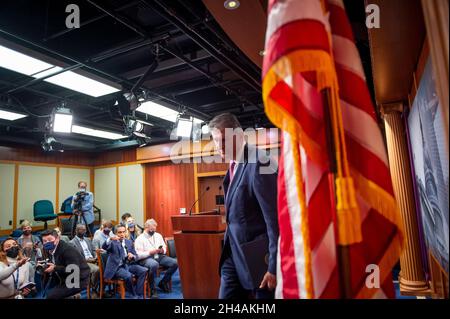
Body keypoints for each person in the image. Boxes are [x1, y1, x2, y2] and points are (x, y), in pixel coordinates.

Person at [209, 113, 279, 299]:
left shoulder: (260, 161)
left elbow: (274, 219)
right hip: (233, 255)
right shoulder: (234, 163)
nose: (219, 147)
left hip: (259, 258)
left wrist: (273, 266)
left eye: (223, 140)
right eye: (216, 141)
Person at [40, 229, 90, 299]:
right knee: (50, 292)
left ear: (57, 239)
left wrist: (55, 268)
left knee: (51, 296)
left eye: (50, 239)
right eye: (44, 241)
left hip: (78, 279)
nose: (47, 242)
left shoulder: (67, 250)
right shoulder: (48, 250)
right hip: (64, 277)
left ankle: (74, 296)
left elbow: (73, 269)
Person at [102, 224, 147, 299]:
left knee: (143, 270)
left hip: (128, 265)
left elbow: (136, 255)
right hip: (117, 268)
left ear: (126, 232)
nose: (122, 234)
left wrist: (132, 256)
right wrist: (110, 238)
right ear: (116, 233)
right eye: (119, 232)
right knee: (128, 275)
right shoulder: (112, 242)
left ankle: (139, 294)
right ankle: (133, 295)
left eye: (123, 232)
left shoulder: (129, 242)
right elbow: (104, 247)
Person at [135, 219, 178, 293]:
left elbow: (164, 247)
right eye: (151, 229)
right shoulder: (140, 239)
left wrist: (162, 250)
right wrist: (150, 252)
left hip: (158, 256)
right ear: (146, 228)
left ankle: (163, 282)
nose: (153, 231)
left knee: (175, 263)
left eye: (154, 229)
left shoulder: (158, 235)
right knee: (154, 264)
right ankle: (152, 289)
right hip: (146, 258)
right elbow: (138, 255)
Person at [69, 224, 99, 292]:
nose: (84, 231)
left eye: (84, 230)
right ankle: (93, 289)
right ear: (76, 231)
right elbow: (76, 258)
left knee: (105, 268)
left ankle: (101, 289)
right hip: (84, 262)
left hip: (94, 259)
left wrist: (96, 256)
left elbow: (94, 250)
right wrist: (89, 260)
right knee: (97, 270)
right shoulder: (72, 243)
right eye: (81, 230)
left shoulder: (88, 239)